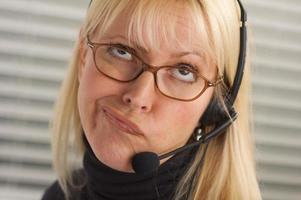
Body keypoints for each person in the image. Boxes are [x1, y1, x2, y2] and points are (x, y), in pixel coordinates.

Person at [42, 0, 262, 199]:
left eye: (183, 72)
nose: (138, 97)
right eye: (122, 51)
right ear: (83, 57)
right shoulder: (60, 195)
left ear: (214, 107)